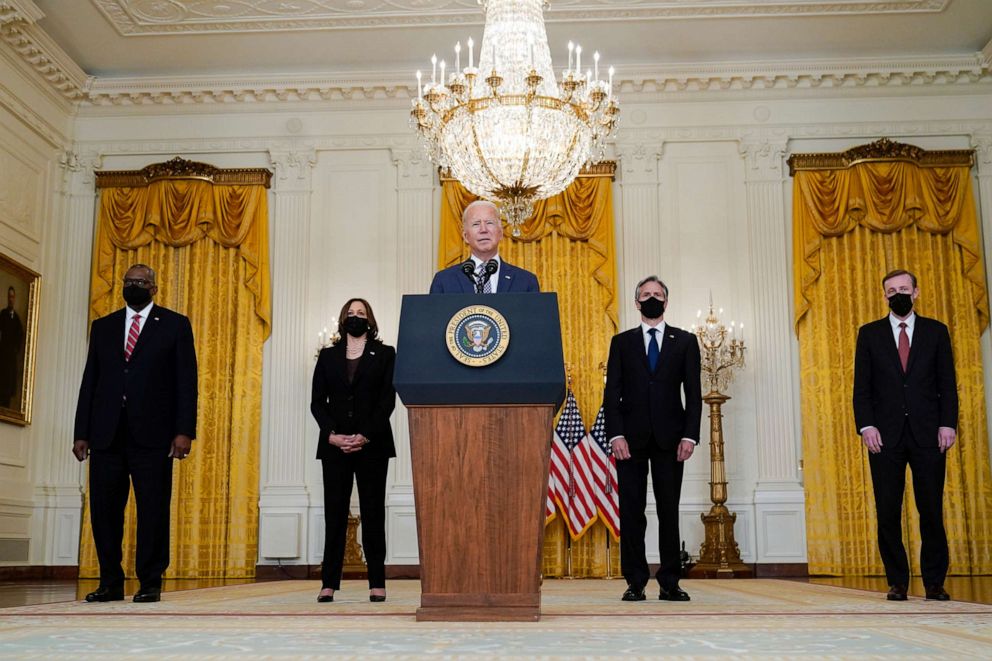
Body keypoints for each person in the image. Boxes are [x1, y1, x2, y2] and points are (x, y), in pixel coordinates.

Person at [72, 264, 197, 604]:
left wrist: (184, 431)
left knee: (153, 509)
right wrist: (81, 431)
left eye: (141, 282)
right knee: (104, 510)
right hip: (106, 434)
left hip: (154, 435)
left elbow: (186, 382)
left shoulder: (174, 325)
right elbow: (90, 382)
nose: (134, 286)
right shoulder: (103, 327)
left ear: (154, 288)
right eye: (129, 282)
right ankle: (111, 581)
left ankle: (150, 581)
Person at [854, 269, 957, 602]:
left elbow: (947, 384)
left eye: (903, 288)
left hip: (929, 434)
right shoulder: (868, 334)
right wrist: (866, 426)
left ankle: (934, 582)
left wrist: (948, 423)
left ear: (915, 292)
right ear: (883, 295)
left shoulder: (936, 332)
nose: (897, 294)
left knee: (930, 510)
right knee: (888, 510)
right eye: (890, 290)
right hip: (884, 436)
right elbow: (862, 388)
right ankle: (897, 581)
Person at [603, 275, 701, 602]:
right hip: (628, 441)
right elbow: (611, 393)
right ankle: (635, 581)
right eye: (646, 294)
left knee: (668, 510)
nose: (652, 298)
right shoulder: (622, 342)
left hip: (672, 441)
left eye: (657, 294)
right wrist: (615, 433)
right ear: (636, 302)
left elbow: (694, 395)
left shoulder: (685, 342)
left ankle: (670, 582)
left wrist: (691, 436)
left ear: (666, 302)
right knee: (631, 511)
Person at [311, 298, 397, 603]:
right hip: (334, 446)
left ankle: (377, 582)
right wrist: (332, 435)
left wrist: (364, 435)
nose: (355, 317)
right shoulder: (327, 355)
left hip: (372, 445)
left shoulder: (385, 354)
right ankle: (328, 583)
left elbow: (387, 400)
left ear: (370, 320)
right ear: (342, 319)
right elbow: (317, 402)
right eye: (351, 313)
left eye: (361, 313)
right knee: (334, 515)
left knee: (373, 514)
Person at [429, 200, 540, 294]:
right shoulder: (444, 280)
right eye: (476, 224)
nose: (483, 229)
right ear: (465, 236)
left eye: (489, 223)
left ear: (501, 233)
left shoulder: (526, 281)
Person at [0, 286, 24, 408]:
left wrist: (15, 349)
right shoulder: (3, 314)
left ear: (15, 299)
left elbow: (20, 336)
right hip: (2, 359)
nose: (11, 299)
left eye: (12, 297)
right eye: (9, 296)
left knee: (8, 394)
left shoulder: (17, 319)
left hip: (11, 361)